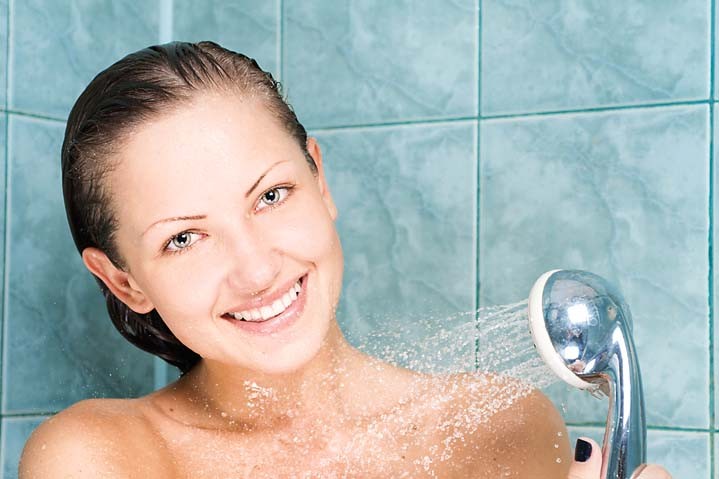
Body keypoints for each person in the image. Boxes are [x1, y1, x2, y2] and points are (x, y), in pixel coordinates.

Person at [18, 41, 670, 478]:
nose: (256, 271)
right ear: (123, 280)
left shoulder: (500, 426)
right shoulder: (101, 457)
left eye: (271, 195)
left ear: (319, 180)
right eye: (184, 238)